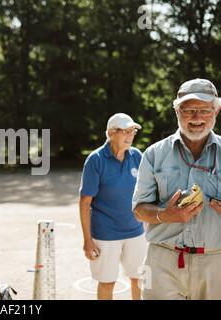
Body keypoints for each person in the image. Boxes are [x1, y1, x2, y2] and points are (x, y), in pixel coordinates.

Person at [133, 78, 221, 300]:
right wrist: (164, 215)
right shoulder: (153, 154)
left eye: (204, 110)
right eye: (189, 109)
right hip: (163, 261)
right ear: (177, 111)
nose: (197, 117)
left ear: (216, 111)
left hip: (216, 262)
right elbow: (139, 210)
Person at [79, 113, 147, 300]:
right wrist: (87, 240)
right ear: (110, 133)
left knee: (141, 279)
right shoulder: (96, 160)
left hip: (136, 231)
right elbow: (85, 203)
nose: (129, 135)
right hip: (105, 234)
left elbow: (147, 192)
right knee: (108, 283)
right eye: (124, 131)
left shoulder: (137, 156)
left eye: (132, 131)